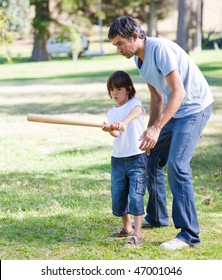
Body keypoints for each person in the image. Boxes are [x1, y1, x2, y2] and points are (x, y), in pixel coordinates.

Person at [108, 16, 213, 250]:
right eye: (115, 45)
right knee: (151, 156)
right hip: (175, 110)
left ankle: (189, 234)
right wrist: (151, 130)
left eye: (119, 43)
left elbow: (178, 92)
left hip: (194, 109)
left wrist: (157, 127)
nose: (118, 49)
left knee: (177, 165)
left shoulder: (161, 50)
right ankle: (156, 216)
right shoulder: (139, 59)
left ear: (135, 37)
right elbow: (157, 97)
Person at [102, 70, 148, 248]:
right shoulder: (111, 112)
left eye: (119, 89)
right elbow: (116, 133)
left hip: (137, 157)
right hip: (118, 159)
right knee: (119, 194)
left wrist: (124, 122)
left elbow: (137, 112)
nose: (115, 93)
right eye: (112, 89)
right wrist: (110, 128)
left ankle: (137, 234)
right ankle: (127, 228)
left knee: (136, 195)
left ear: (128, 89)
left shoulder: (134, 104)